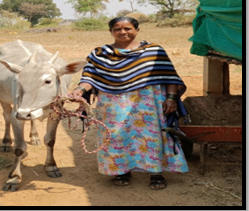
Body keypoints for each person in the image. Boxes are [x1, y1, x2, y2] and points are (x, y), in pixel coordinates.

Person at [70, 17, 188, 190]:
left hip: (148, 102)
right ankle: (121, 170)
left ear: (137, 30)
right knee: (115, 136)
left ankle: (156, 172)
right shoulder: (99, 54)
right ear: (110, 32)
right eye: (117, 29)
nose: (123, 32)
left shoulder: (154, 51)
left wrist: (171, 98)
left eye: (127, 28)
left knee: (151, 136)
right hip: (112, 104)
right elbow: (89, 78)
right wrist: (80, 90)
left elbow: (169, 75)